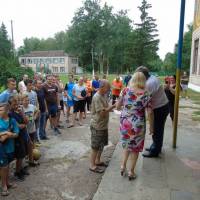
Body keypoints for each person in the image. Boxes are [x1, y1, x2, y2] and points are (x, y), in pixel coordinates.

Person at [116, 72, 153, 180]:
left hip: (125, 122)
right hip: (138, 124)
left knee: (127, 144)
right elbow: (150, 112)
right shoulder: (147, 94)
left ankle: (123, 166)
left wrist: (124, 107)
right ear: (143, 81)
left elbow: (118, 106)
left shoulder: (125, 90)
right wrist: (151, 126)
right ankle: (131, 171)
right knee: (135, 148)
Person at [136, 66, 169, 158]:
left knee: (157, 129)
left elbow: (144, 100)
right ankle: (155, 146)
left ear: (143, 76)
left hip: (160, 108)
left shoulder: (149, 84)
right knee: (157, 129)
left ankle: (155, 151)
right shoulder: (152, 78)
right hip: (162, 106)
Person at [89, 79, 116, 173]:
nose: (109, 90)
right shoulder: (97, 97)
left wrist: (112, 108)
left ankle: (97, 161)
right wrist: (111, 107)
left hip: (103, 125)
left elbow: (106, 106)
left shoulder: (104, 94)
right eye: (107, 88)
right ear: (102, 87)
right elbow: (101, 113)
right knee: (95, 147)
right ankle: (92, 165)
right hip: (97, 125)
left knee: (101, 145)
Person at [8, 96, 29, 181]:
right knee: (19, 155)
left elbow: (26, 121)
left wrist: (22, 113)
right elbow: (18, 126)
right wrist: (23, 125)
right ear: (9, 105)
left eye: (17, 104)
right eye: (14, 104)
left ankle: (20, 169)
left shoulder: (18, 112)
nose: (16, 106)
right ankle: (17, 172)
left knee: (23, 153)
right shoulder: (10, 114)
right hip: (17, 138)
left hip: (23, 135)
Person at [0, 102, 19, 196]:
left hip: (10, 147)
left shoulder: (12, 120)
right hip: (1, 148)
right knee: (4, 167)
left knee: (7, 166)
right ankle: (3, 186)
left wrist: (10, 135)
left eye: (1, 109)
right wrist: (6, 133)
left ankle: (7, 183)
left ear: (7, 110)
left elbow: (16, 133)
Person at [22, 94, 40, 166]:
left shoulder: (32, 106)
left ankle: (32, 157)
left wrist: (35, 116)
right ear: (22, 101)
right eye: (25, 100)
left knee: (32, 143)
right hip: (25, 130)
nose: (27, 102)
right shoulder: (21, 108)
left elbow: (38, 111)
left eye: (28, 100)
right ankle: (28, 157)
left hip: (32, 128)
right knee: (27, 144)